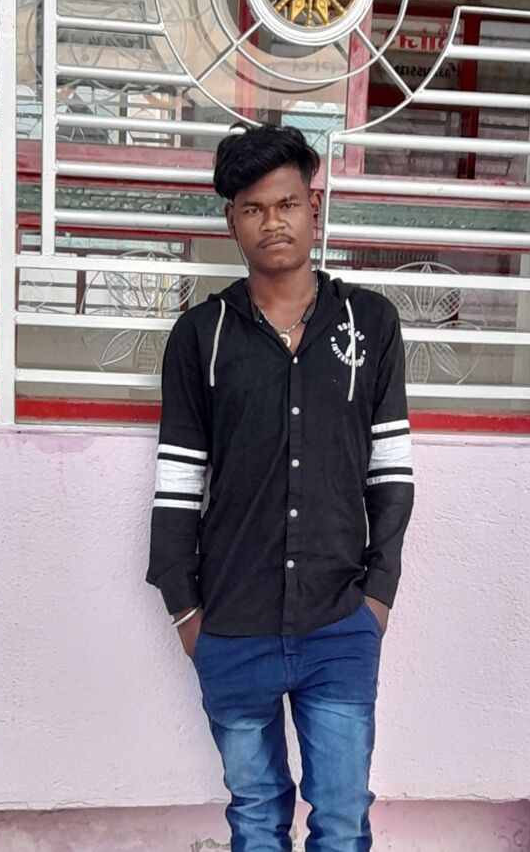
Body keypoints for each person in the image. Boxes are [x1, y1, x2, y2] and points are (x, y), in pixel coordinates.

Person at [147, 124, 414, 852]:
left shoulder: (369, 323)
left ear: (313, 206)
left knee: (342, 818)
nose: (274, 222)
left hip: (340, 623)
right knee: (256, 815)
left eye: (287, 203)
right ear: (231, 220)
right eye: (254, 208)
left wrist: (377, 597)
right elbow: (177, 484)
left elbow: (391, 475)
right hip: (232, 625)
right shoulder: (202, 337)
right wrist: (185, 612)